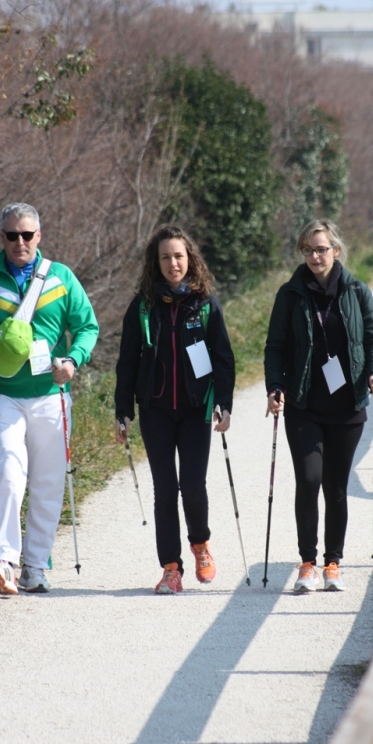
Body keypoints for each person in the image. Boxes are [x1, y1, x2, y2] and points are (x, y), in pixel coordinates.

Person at [0, 203, 99, 594]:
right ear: (2, 238)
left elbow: (87, 326)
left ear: (39, 237)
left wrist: (73, 360)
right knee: (9, 469)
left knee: (48, 481)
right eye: (12, 235)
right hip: (2, 394)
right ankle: (5, 561)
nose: (20, 242)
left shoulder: (61, 278)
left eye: (27, 235)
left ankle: (36, 566)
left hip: (51, 394)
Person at [264, 219, 373, 593]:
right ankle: (307, 562)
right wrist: (275, 386)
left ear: (336, 250)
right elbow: (275, 347)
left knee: (335, 486)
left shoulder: (357, 291)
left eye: (322, 248)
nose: (316, 256)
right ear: (302, 253)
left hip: (348, 407)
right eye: (309, 249)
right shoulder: (290, 294)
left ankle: (333, 563)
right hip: (304, 404)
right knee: (309, 479)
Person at [114, 225, 235, 595]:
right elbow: (127, 362)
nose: (173, 263)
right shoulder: (143, 306)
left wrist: (224, 404)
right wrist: (123, 411)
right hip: (156, 411)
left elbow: (223, 358)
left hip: (196, 410)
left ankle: (200, 544)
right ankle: (171, 568)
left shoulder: (205, 303)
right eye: (165, 257)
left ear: (190, 258)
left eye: (179, 256)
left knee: (193, 488)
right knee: (165, 490)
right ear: (157, 262)